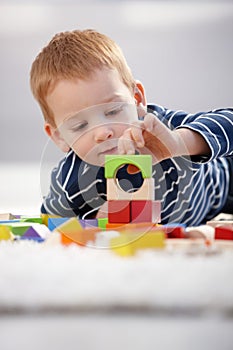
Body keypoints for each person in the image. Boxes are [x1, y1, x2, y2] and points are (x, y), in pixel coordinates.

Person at [30, 29, 233, 226]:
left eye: (112, 111)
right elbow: (51, 227)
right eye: (80, 125)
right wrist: (95, 224)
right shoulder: (69, 185)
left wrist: (179, 142)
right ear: (59, 137)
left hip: (224, 181)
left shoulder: (159, 127)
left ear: (137, 99)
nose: (103, 132)